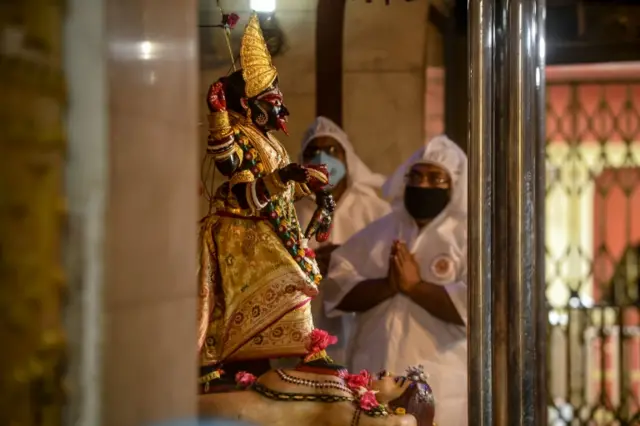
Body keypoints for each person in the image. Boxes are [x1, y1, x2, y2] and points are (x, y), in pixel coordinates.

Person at [197, 14, 335, 391]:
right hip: (245, 231)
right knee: (294, 280)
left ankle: (303, 348)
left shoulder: (269, 140)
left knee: (296, 280)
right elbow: (239, 181)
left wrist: (314, 188)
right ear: (250, 104)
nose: (282, 111)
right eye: (274, 102)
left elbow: (285, 187)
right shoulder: (242, 135)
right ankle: (304, 349)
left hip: (271, 225)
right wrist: (218, 116)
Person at [324, 135, 468, 426]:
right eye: (416, 176)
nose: (423, 185)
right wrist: (388, 286)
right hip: (375, 377)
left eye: (435, 178)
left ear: (454, 185)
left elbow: (477, 307)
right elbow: (337, 286)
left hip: (443, 380)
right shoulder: (381, 231)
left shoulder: (466, 238)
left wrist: (415, 288)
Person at [295, 116, 391, 364]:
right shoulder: (290, 210)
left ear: (347, 157)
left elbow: (389, 263)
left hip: (363, 321)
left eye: (331, 150)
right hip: (304, 322)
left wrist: (346, 257)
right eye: (313, 151)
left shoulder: (375, 209)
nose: (322, 159)